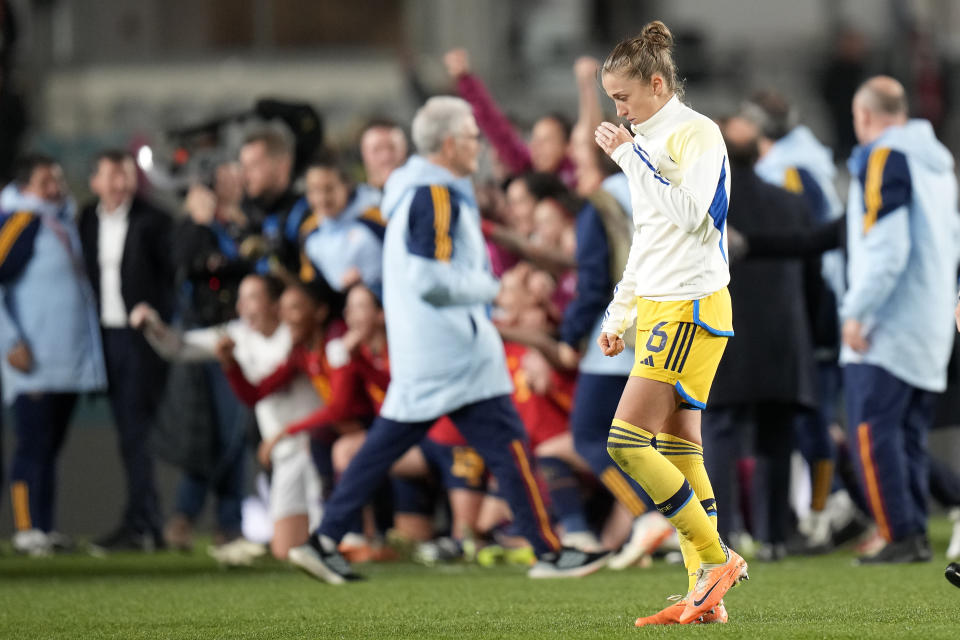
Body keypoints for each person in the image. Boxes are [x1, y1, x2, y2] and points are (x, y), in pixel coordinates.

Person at [284, 95, 610, 585]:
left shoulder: (423, 191)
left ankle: (324, 539)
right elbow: (428, 277)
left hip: (437, 349)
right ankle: (548, 551)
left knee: (411, 446)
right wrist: (492, 287)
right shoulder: (433, 194)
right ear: (451, 142)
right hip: (450, 352)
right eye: (473, 136)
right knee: (504, 443)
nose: (479, 145)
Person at [592, 21, 747, 626]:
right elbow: (650, 238)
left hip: (691, 304)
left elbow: (697, 221)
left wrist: (631, 158)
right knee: (681, 448)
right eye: (612, 99)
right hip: (660, 303)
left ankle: (715, 558)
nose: (618, 109)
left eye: (624, 96)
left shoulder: (695, 134)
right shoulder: (645, 142)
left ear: (658, 84)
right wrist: (620, 312)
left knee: (625, 441)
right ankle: (703, 599)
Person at [841, 76, 960, 563]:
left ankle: (900, 534)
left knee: (871, 429)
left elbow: (887, 249)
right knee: (906, 431)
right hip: (930, 317)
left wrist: (857, 311)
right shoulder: (939, 163)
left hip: (888, 321)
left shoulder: (885, 156)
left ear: (865, 116)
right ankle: (910, 530)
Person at [133, 274, 321, 560]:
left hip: (316, 445)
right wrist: (152, 325)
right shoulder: (239, 335)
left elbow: (259, 391)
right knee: (288, 551)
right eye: (241, 298)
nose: (244, 306)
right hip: (284, 453)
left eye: (253, 297)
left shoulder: (294, 333)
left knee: (328, 537)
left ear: (275, 304)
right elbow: (181, 347)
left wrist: (231, 366)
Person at [700, 116, 818, 560]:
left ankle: (723, 536)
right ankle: (774, 537)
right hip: (783, 336)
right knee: (776, 436)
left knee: (720, 434)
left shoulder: (708, 207)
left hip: (723, 334)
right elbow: (813, 273)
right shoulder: (791, 203)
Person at [741, 89, 845, 549]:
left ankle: (828, 507)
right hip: (806, 303)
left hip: (810, 304)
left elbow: (813, 244)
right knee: (805, 417)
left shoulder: (789, 171)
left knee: (812, 417)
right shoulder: (802, 162)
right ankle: (820, 507)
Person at [0, 154, 107, 555]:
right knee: (32, 446)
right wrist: (10, 342)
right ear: (26, 187)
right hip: (34, 361)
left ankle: (44, 528)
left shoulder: (60, 220)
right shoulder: (19, 222)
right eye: (46, 181)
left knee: (48, 448)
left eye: (58, 180)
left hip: (65, 363)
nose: (55, 188)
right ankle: (27, 529)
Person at [78, 149, 174, 552]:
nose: (120, 185)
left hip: (141, 341)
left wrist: (154, 315)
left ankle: (143, 523)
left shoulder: (156, 220)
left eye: (126, 176)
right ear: (94, 182)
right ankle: (143, 520)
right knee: (128, 431)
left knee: (137, 431)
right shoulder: (85, 219)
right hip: (104, 338)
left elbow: (171, 280)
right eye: (112, 177)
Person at [443, 48, 577, 187]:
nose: (536, 147)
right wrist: (466, 80)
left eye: (546, 140)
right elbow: (496, 127)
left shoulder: (580, 181)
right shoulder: (527, 167)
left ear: (568, 146)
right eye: (535, 139)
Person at [302, 158, 384, 292]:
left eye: (329, 189)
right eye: (315, 190)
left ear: (346, 185)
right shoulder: (309, 231)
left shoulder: (375, 216)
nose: (322, 198)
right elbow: (313, 285)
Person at [238, 126, 307, 274]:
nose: (245, 176)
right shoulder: (243, 212)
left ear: (283, 165)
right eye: (243, 167)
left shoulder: (305, 211)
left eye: (254, 166)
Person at [358, 119, 408, 196]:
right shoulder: (353, 204)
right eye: (377, 149)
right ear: (363, 154)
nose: (386, 157)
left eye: (392, 148)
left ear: (405, 150)